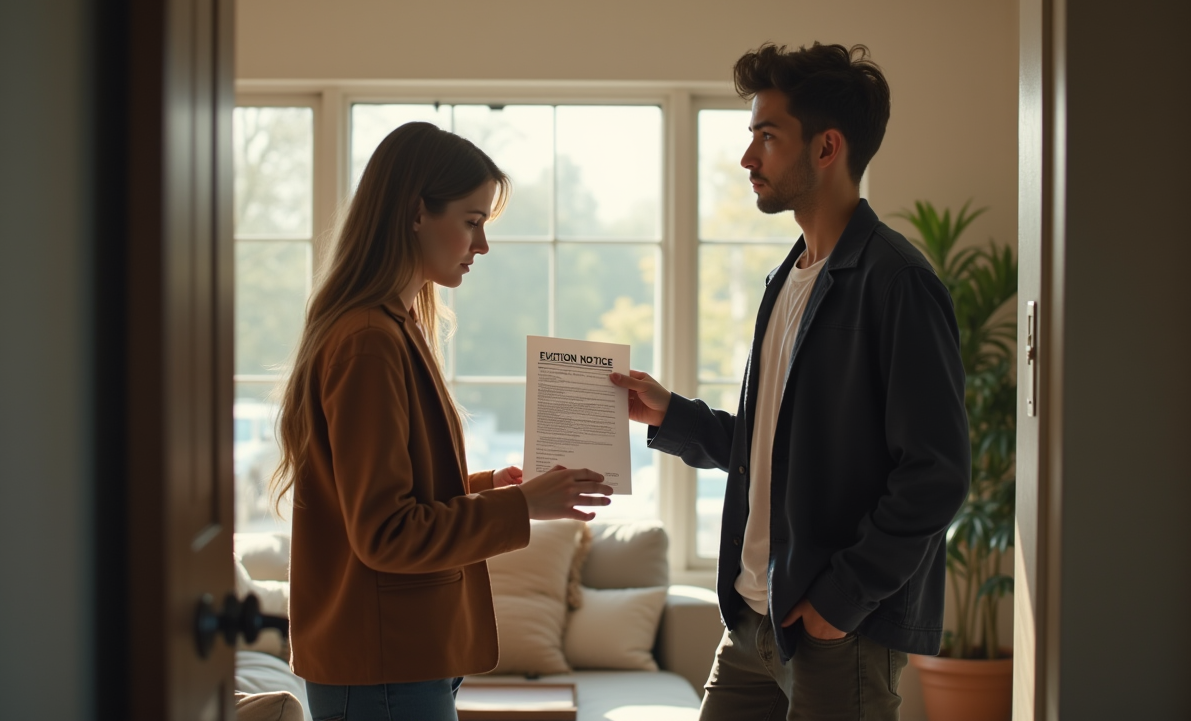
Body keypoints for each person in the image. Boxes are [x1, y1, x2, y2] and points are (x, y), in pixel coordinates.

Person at [610, 43, 971, 720]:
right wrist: (671, 415)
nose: (748, 158)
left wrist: (842, 598)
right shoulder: (788, 277)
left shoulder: (898, 282)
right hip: (754, 619)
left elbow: (936, 474)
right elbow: (773, 452)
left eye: (767, 137)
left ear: (827, 147)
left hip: (835, 631)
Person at [272, 121, 613, 721]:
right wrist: (521, 505)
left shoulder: (394, 327)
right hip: (384, 667)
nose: (482, 245)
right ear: (415, 213)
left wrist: (490, 488)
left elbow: (385, 498)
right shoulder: (370, 341)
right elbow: (386, 533)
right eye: (472, 221)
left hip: (398, 660)